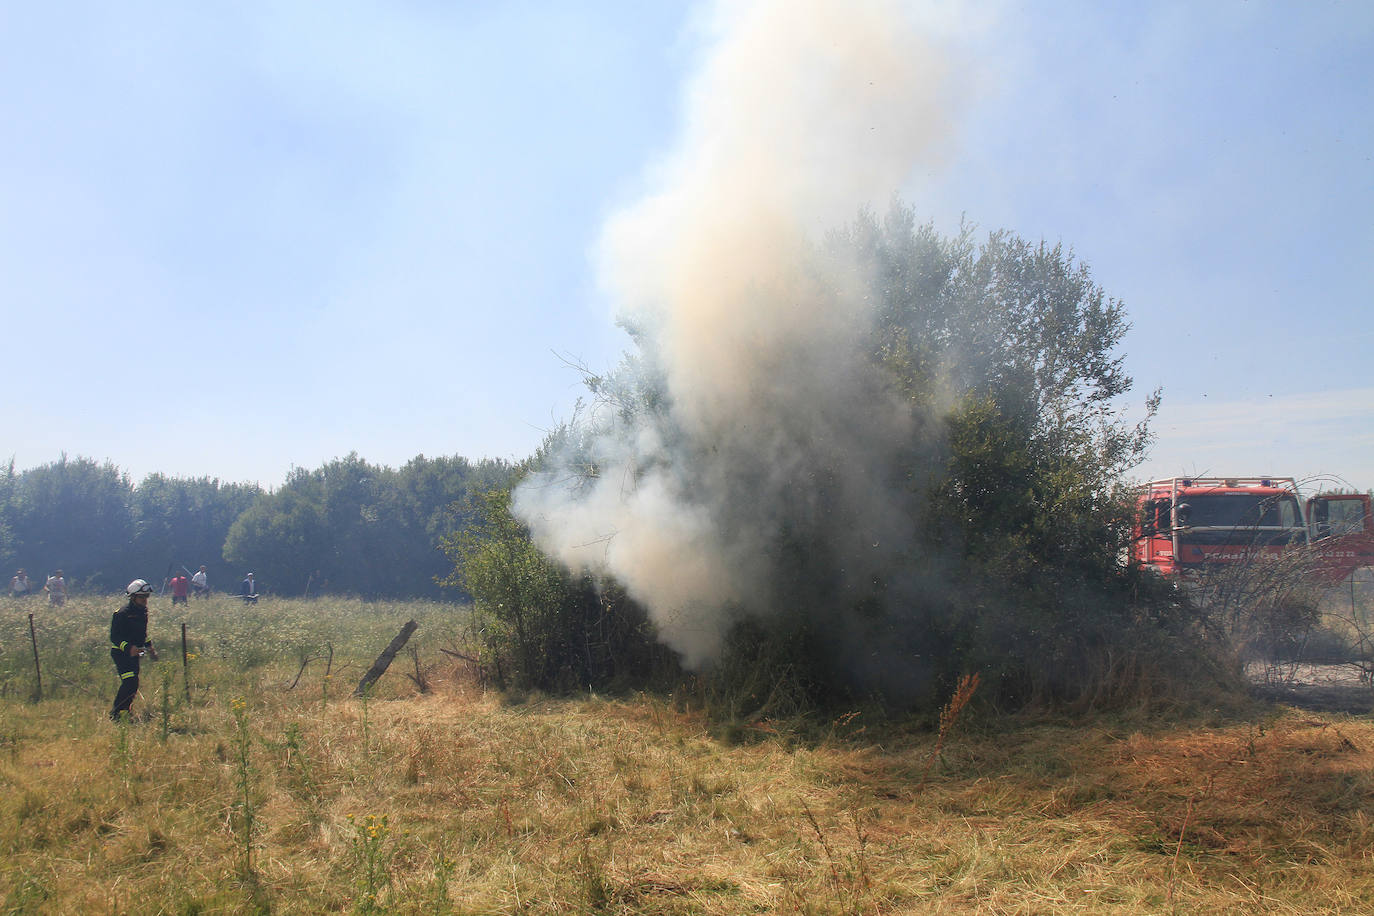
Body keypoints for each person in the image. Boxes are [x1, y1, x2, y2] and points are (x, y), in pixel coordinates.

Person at [110, 579, 158, 721]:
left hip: (135, 654)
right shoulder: (121, 613)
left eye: (146, 596)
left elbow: (143, 634)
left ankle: (125, 711)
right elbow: (114, 637)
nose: (145, 600)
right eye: (142, 597)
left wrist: (150, 648)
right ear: (133, 597)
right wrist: (129, 648)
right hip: (121, 654)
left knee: (134, 684)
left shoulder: (143, 612)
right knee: (130, 682)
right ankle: (116, 713)